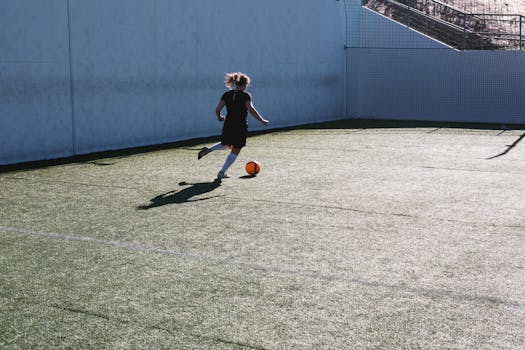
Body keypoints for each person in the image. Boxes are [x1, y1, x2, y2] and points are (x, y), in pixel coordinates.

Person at [198, 72, 269, 180]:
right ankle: (222, 172)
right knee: (236, 149)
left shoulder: (227, 94)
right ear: (245, 84)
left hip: (228, 123)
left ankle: (210, 149)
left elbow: (217, 109)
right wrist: (262, 120)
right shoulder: (246, 95)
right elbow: (251, 109)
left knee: (227, 144)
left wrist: (219, 117)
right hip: (240, 125)